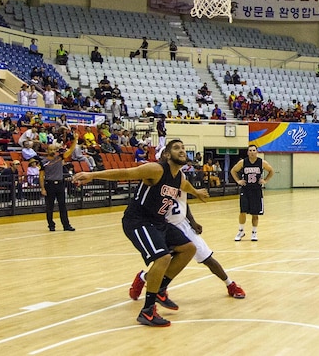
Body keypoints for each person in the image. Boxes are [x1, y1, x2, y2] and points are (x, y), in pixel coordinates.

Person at [73, 139, 204, 327]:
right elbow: (126, 173)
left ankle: (160, 288)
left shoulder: (180, 177)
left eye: (183, 148)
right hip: (138, 220)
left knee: (189, 248)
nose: (182, 150)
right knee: (163, 258)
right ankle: (147, 311)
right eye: (177, 148)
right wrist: (93, 175)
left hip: (158, 222)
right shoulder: (156, 169)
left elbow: (185, 187)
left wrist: (197, 192)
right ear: (167, 155)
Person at [128, 182, 246, 302]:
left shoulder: (180, 178)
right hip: (164, 226)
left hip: (183, 225)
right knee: (164, 263)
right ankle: (156, 287)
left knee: (207, 258)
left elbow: (184, 202)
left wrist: (192, 221)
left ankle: (230, 284)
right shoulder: (158, 181)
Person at [231, 145, 274, 241]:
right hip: (245, 190)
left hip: (256, 190)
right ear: (247, 152)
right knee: (242, 212)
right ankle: (241, 231)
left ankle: (254, 233)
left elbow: (271, 171)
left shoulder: (261, 162)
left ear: (256, 152)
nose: (252, 152)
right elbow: (233, 171)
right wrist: (238, 181)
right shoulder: (243, 162)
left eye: (254, 150)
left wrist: (265, 180)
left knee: (255, 213)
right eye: (250, 150)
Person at [41, 141, 77, 232]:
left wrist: (75, 140)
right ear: (47, 150)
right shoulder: (43, 162)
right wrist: (42, 188)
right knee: (50, 207)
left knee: (63, 206)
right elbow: (41, 176)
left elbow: (71, 150)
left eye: (54, 149)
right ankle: (51, 225)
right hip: (49, 185)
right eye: (51, 149)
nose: (52, 151)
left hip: (60, 184)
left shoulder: (60, 158)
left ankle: (66, 225)